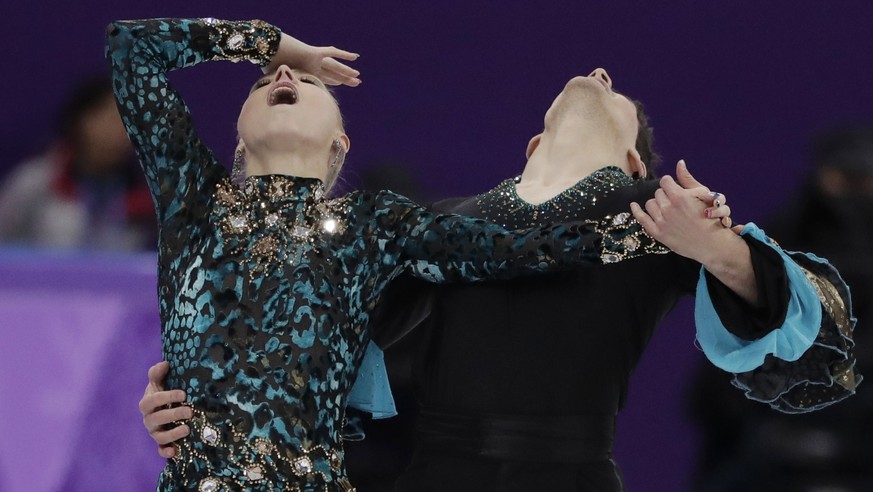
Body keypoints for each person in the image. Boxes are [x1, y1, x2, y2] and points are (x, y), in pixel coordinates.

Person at [138, 59, 857, 492]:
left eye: (618, 98)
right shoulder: (438, 226)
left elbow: (818, 349)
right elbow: (331, 368)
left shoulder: (656, 213)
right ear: (533, 141)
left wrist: (716, 250)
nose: (599, 73)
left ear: (634, 162)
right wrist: (194, 414)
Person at [104, 17, 669, 491]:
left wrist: (661, 227)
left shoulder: (373, 225)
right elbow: (132, 48)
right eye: (262, 82)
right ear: (238, 135)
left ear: (340, 142)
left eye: (308, 82)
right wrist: (276, 44)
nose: (281, 76)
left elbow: (518, 249)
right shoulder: (193, 203)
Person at [687, 125, 873, 492]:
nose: (852, 192)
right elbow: (727, 371)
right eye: (844, 177)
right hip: (764, 454)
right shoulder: (780, 248)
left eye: (864, 179)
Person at [0, 75, 155, 250]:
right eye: (110, 117)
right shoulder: (35, 182)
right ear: (80, 119)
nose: (120, 130)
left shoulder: (148, 195)